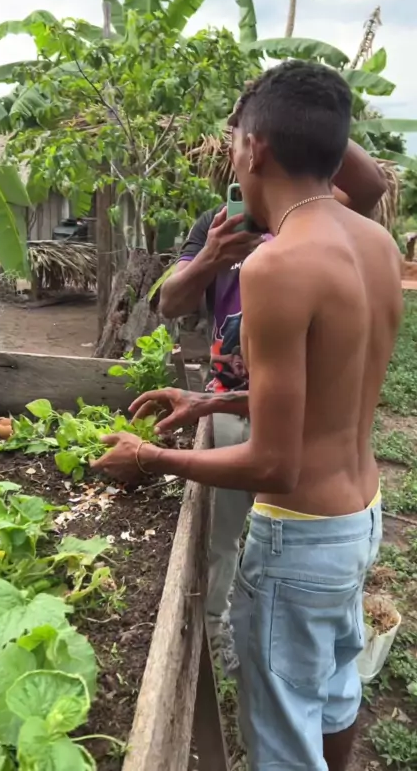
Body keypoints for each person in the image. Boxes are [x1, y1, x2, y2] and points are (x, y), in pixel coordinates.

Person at [91, 61, 403, 771]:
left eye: (236, 140)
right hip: (360, 518)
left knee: (283, 740)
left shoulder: (277, 265)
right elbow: (327, 394)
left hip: (299, 539)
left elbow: (274, 463)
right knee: (334, 693)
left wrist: (149, 457)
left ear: (255, 150)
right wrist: (212, 401)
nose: (231, 155)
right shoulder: (376, 244)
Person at [156, 123, 388, 666]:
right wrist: (212, 256)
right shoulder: (217, 224)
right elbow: (169, 302)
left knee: (286, 538)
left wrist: (290, 111)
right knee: (219, 538)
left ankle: (271, 637)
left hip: (304, 415)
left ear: (257, 149)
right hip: (226, 402)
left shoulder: (316, 217)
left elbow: (372, 185)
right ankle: (215, 631)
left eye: (242, 138)